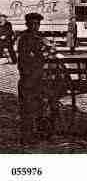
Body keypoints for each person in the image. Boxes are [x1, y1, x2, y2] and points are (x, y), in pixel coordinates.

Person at [17, 13, 48, 142]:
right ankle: (26, 136)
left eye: (38, 24)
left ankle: (39, 133)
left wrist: (46, 49)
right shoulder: (24, 38)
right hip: (28, 79)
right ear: (27, 24)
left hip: (38, 78)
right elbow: (25, 58)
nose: (36, 26)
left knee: (40, 106)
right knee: (27, 109)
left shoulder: (38, 37)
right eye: (33, 24)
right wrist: (41, 52)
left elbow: (41, 52)